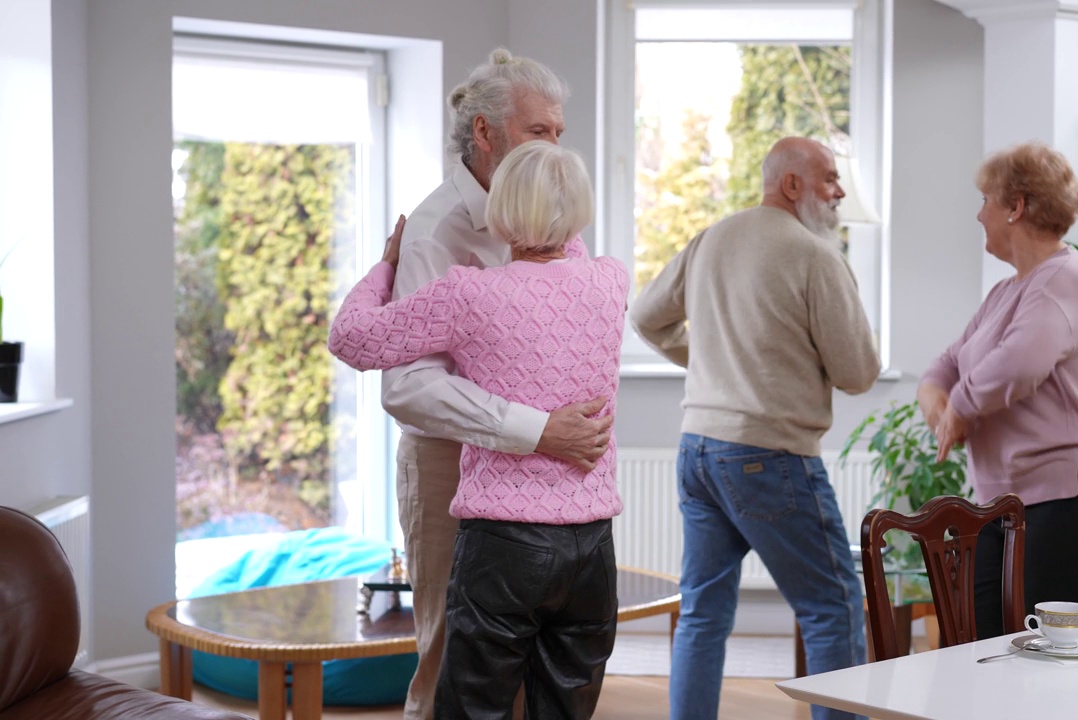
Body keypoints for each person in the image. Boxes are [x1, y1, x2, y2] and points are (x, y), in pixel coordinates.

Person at [329, 140, 628, 719]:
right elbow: (566, 265)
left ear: (499, 211)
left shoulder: (469, 293)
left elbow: (353, 338)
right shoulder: (611, 281)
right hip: (592, 547)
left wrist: (386, 265)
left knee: (473, 710)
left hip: (504, 548)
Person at [631, 137, 880, 720]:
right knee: (834, 607)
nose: (839, 191)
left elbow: (645, 316)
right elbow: (859, 372)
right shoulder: (816, 256)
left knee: (702, 612)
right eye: (828, 178)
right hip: (769, 457)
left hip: (698, 451)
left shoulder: (712, 238)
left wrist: (714, 360)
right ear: (791, 184)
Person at [918, 141, 1078, 640]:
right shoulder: (1007, 291)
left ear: (1017, 206)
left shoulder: (1068, 280)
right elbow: (947, 362)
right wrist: (936, 399)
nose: (979, 214)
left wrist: (959, 408)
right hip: (1005, 504)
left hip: (1063, 506)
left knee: (1047, 665)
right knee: (985, 646)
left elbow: (1019, 364)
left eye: (986, 200)